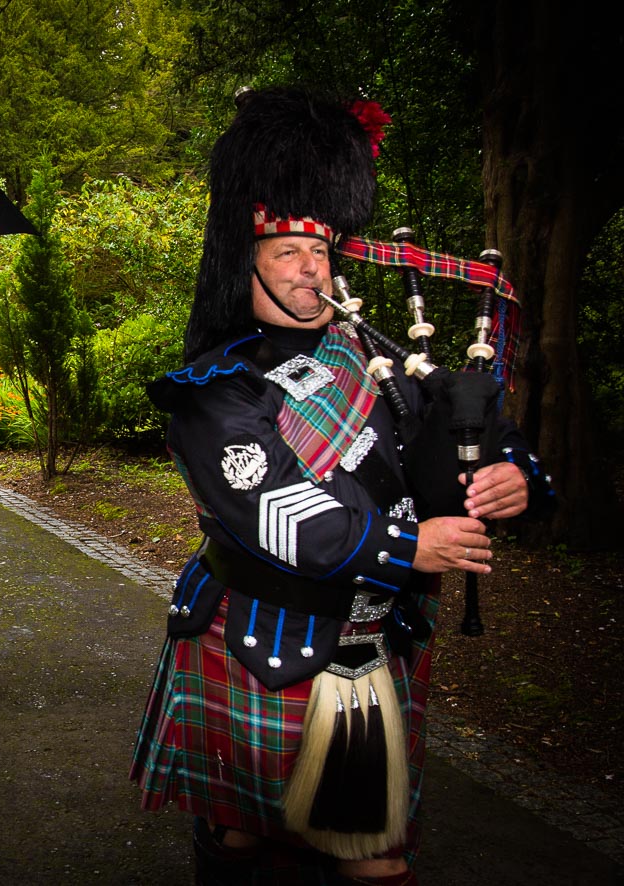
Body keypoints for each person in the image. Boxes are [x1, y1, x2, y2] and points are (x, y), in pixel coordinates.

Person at [128, 87, 554, 885]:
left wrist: (510, 473)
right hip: (254, 635)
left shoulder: (375, 363)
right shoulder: (214, 388)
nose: (311, 268)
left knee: (373, 855)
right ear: (244, 263)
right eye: (288, 251)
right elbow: (276, 510)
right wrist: (409, 547)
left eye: (320, 252)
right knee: (238, 836)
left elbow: (461, 444)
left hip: (370, 642)